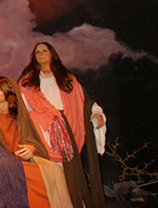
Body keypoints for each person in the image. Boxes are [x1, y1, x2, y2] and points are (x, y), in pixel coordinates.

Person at [18, 42, 106, 208]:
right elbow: (22, 110)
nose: (41, 54)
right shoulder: (27, 83)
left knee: (70, 174)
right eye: (37, 52)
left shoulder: (67, 79)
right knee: (51, 173)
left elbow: (84, 101)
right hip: (42, 131)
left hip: (68, 130)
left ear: (52, 54)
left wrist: (96, 113)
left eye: (44, 51)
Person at [0, 76, 73, 208]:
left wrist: (32, 148)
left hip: (23, 160)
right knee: (33, 175)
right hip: (3, 163)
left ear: (8, 92)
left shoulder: (19, 117)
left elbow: (34, 141)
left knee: (55, 169)